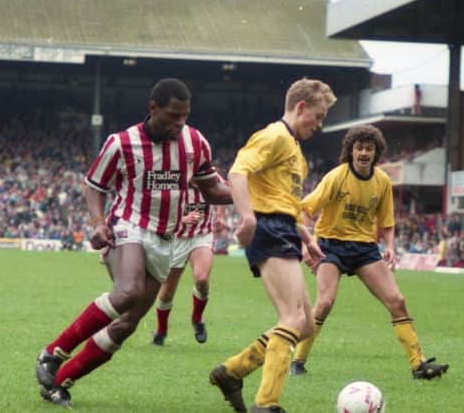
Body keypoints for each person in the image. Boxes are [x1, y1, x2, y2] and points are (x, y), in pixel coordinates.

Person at [34, 78, 231, 407]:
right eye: (173, 115)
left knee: (127, 324)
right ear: (153, 108)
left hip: (166, 239)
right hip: (128, 227)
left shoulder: (195, 142)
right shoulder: (121, 143)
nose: (180, 123)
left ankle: (60, 381)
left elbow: (212, 189)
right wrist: (98, 223)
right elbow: (94, 186)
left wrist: (247, 193)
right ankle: (53, 352)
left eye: (185, 115)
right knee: (128, 291)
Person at [209, 78, 336, 413]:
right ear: (301, 107)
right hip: (269, 229)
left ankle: (233, 371)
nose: (319, 125)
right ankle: (266, 403)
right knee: (293, 319)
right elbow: (238, 171)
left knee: (304, 324)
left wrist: (305, 235)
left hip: (283, 229)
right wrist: (247, 218)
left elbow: (280, 199)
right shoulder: (275, 136)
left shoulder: (294, 149)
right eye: (318, 116)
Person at [289, 125, 449, 380]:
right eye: (359, 148)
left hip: (365, 249)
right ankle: (298, 360)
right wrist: (308, 242)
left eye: (369, 148)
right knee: (325, 303)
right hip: (331, 245)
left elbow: (386, 221)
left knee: (397, 301)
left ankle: (418, 365)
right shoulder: (336, 176)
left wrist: (391, 247)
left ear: (376, 152)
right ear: (350, 150)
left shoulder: (382, 181)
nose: (364, 153)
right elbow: (306, 208)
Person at [152, 183, 226, 346]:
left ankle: (197, 319)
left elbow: (222, 192)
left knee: (202, 280)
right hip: (176, 238)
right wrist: (181, 219)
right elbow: (156, 208)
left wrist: (220, 215)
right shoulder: (171, 177)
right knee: (167, 291)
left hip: (201, 235)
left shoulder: (209, 176)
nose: (192, 163)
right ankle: (161, 330)